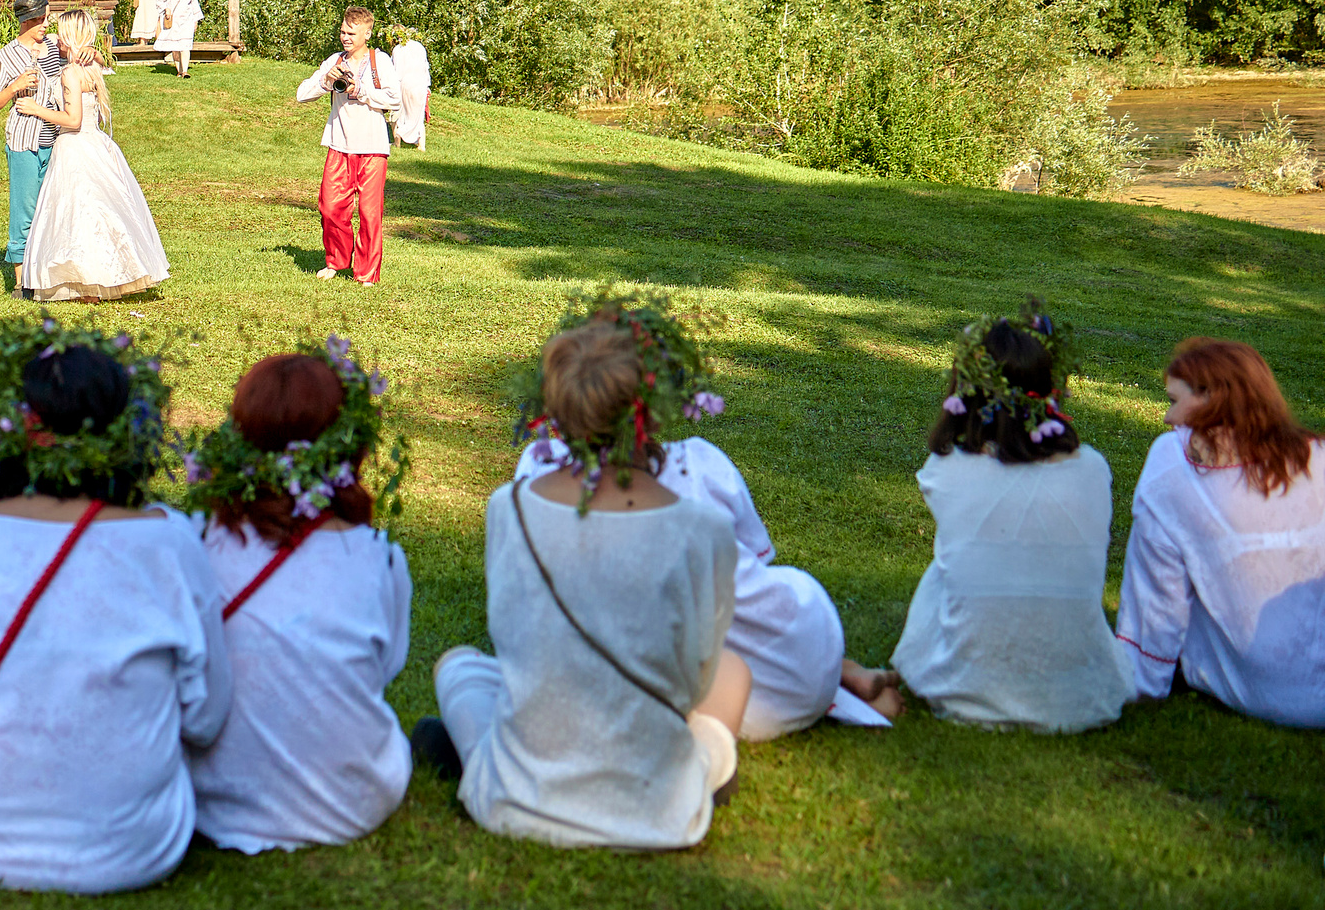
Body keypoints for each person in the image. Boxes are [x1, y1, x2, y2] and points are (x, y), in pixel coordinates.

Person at [0, 322, 229, 893]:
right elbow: (205, 717)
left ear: (14, 427)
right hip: (133, 848)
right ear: (129, 432)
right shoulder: (171, 542)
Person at [423, 298, 750, 851]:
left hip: (516, 799)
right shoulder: (704, 528)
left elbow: (510, 643)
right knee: (733, 674)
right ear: (650, 406)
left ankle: (485, 756)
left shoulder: (510, 506)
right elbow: (695, 680)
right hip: (659, 813)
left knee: (459, 667)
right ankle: (702, 770)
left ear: (557, 405)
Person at [509, 423, 902, 737]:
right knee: (735, 607)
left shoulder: (539, 473)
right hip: (794, 652)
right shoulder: (698, 465)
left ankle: (839, 679)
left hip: (703, 684)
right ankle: (838, 675)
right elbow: (758, 560)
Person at [181, 343, 412, 853]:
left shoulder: (195, 541)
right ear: (348, 444)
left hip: (210, 802)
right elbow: (385, 666)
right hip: (349, 805)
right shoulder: (378, 557)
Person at [890, 303, 1129, 733]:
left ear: (966, 393)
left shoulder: (944, 471)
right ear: (1051, 391)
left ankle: (972, 661)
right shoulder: (1092, 469)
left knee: (943, 571)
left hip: (964, 693)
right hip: (1081, 699)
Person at [1116, 338, 1325, 728]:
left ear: (1211, 398)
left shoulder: (1173, 464)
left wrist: (1139, 679)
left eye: (1175, 401)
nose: (1168, 417)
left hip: (1266, 688)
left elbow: (1158, 600)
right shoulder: (1316, 456)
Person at [14, 8, 170, 304]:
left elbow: (73, 120)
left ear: (71, 38)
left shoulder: (70, 72)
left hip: (74, 145)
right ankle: (105, 276)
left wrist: (36, 110)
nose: (56, 40)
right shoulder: (90, 69)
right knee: (100, 213)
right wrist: (95, 53)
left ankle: (87, 283)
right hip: (95, 143)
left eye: (61, 35)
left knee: (78, 215)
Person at [295, 8, 404, 286]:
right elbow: (301, 95)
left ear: (367, 33)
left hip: (372, 147)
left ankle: (366, 273)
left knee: (369, 213)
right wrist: (326, 81)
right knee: (330, 207)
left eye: (351, 33)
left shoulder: (380, 61)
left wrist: (362, 92)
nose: (345, 37)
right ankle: (336, 260)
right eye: (343, 31)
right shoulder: (334, 61)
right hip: (339, 145)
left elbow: (394, 100)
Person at [0, 0, 65, 297]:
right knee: (25, 212)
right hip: (24, 143)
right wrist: (15, 86)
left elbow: (85, 53)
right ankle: (21, 283)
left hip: (57, 142)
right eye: (40, 19)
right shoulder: (3, 57)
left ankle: (47, 274)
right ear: (26, 21)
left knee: (50, 209)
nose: (45, 24)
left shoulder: (55, 47)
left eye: (47, 18)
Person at [385, 22, 432, 151]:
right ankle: (421, 145)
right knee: (418, 114)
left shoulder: (397, 50)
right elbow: (425, 66)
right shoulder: (419, 46)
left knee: (399, 112)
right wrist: (427, 85)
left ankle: (398, 140)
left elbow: (396, 71)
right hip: (421, 83)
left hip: (405, 83)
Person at [153, 0, 203, 76]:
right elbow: (159, 1)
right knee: (175, 46)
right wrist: (166, 9)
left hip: (187, 20)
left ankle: (185, 70)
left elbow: (195, 5)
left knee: (185, 45)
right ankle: (179, 70)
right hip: (173, 21)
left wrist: (195, 21)